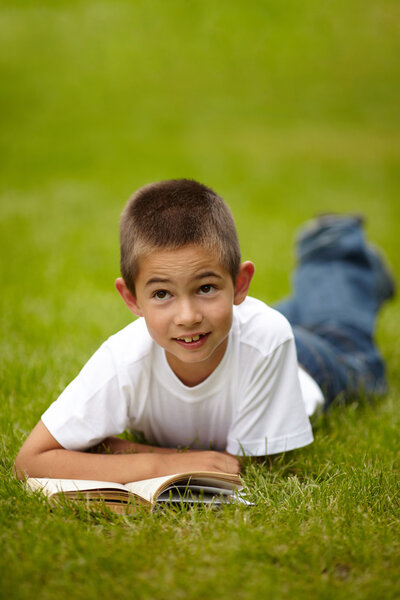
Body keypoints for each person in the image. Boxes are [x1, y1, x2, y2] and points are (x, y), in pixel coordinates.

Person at [14, 180, 395, 484]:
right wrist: (163, 462)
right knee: (261, 320)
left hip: (308, 365)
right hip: (234, 327)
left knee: (344, 338)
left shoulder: (267, 339)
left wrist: (117, 449)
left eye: (206, 287)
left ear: (240, 283)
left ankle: (332, 246)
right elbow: (31, 460)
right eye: (161, 294)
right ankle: (305, 287)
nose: (187, 316)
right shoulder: (123, 359)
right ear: (131, 298)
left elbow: (241, 468)